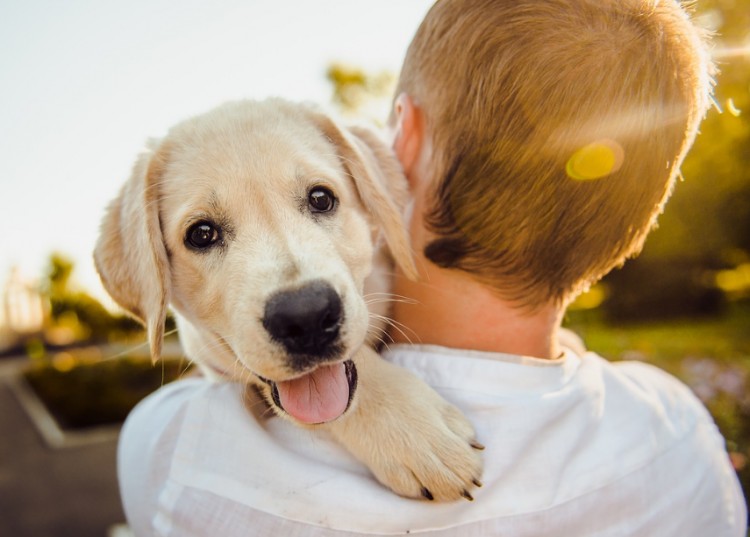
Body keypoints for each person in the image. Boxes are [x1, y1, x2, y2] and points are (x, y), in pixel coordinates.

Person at [118, 0, 747, 535]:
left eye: (319, 200)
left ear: (401, 146)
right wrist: (366, 397)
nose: (298, 293)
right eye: (204, 234)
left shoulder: (174, 452)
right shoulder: (680, 431)